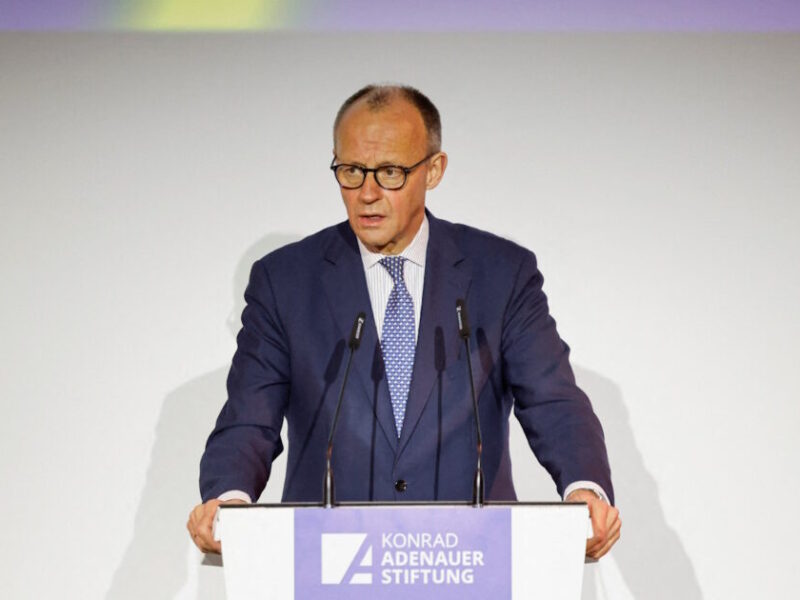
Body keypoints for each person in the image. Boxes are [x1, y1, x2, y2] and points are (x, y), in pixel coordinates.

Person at [187, 84, 621, 559]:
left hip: (470, 561)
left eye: (390, 172)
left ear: (433, 170)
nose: (367, 193)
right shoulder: (284, 281)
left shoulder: (501, 274)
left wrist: (584, 489)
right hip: (331, 563)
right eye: (351, 171)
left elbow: (552, 401)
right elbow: (249, 418)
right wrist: (228, 500)